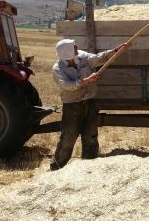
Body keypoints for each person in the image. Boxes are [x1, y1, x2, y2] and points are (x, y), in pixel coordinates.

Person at [49, 38, 129, 170]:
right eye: (73, 47)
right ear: (67, 52)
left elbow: (99, 58)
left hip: (89, 102)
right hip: (72, 105)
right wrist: (86, 81)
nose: (76, 47)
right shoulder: (57, 68)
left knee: (90, 135)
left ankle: (89, 166)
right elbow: (66, 85)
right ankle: (56, 167)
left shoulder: (82, 56)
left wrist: (116, 50)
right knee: (68, 137)